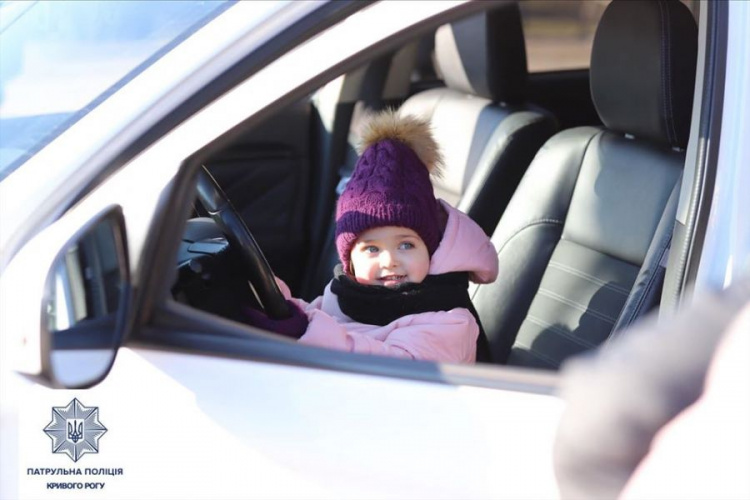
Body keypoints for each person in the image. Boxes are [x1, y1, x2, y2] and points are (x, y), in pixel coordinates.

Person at [244, 109, 499, 363]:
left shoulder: (449, 320)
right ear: (350, 261)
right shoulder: (346, 293)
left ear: (430, 251)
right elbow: (314, 316)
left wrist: (306, 331)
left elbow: (400, 368)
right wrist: (272, 297)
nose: (390, 261)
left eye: (406, 245)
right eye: (372, 249)